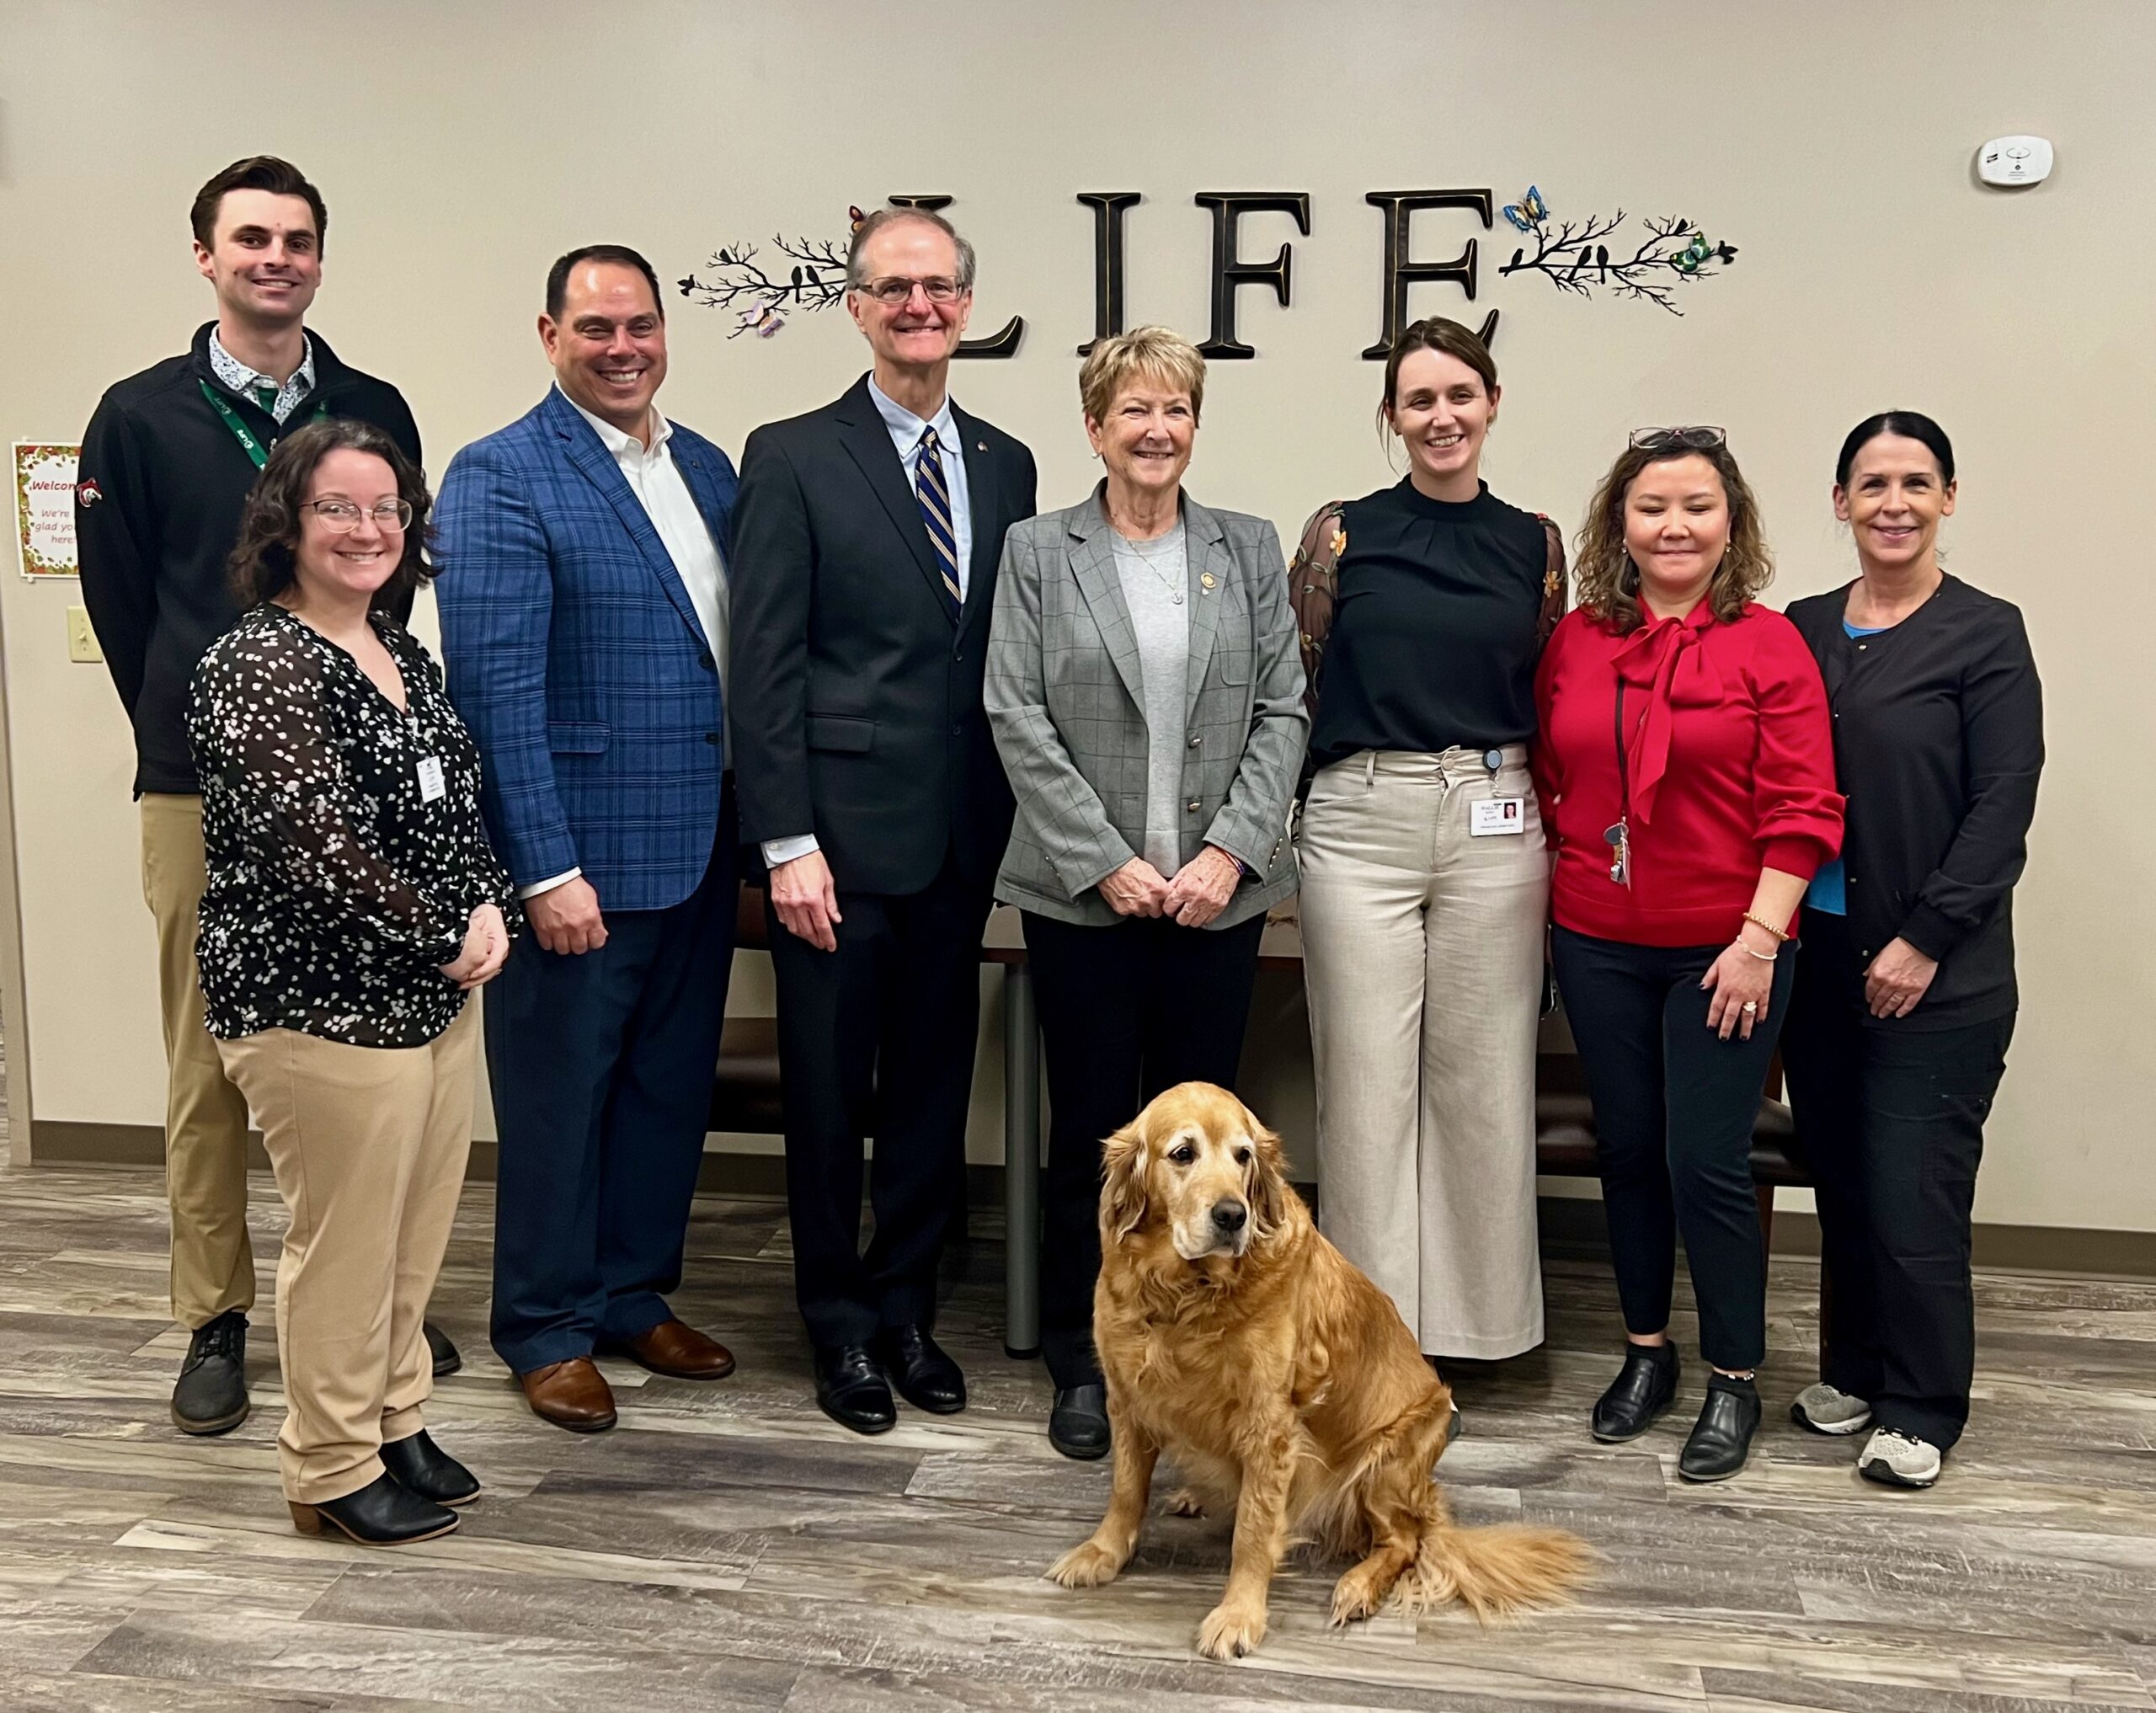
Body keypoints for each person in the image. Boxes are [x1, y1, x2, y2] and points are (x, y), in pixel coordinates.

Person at [75, 155, 459, 1440]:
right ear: (207, 257)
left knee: (373, 1051)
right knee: (211, 1064)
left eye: (297, 239)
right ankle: (215, 1314)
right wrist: (204, 728)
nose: (276, 258)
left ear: (319, 258)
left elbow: (389, 576)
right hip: (201, 788)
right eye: (251, 239)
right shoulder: (139, 416)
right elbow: (123, 604)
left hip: (361, 782)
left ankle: (367, 1302)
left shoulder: (371, 405)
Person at [730, 207, 1038, 1434]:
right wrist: (786, 843)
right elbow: (763, 665)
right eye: (894, 288)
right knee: (826, 1094)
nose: (920, 306)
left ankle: (907, 1308)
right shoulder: (793, 454)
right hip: (836, 848)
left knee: (928, 1087)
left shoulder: (1006, 462)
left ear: (966, 305)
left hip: (960, 838)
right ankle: (839, 1323)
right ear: (856, 307)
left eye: (940, 287)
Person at [434, 245, 742, 1433]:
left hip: (699, 841)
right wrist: (544, 868)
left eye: (641, 325)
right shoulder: (500, 474)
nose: (624, 348)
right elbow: (495, 695)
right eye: (597, 327)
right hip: (580, 861)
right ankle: (547, 1325)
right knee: (561, 1100)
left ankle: (629, 1293)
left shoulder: (705, 466)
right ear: (550, 335)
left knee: (665, 1090)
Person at [189, 419, 512, 1544]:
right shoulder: (257, 665)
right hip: (314, 1005)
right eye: (338, 507)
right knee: (345, 1244)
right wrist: (443, 931)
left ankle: (392, 1418)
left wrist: (488, 907)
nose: (369, 529)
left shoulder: (399, 651)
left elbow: (455, 801)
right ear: (286, 521)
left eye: (388, 508)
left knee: (412, 1234)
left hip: (428, 994)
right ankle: (328, 1464)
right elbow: (312, 846)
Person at [986, 327, 1306, 1459]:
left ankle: (1201, 1345)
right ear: (1095, 428)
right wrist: (1105, 859)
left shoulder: (1246, 547)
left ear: (1194, 426)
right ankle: (1091, 1360)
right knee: (1096, 1131)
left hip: (1215, 900)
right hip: (1085, 899)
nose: (1156, 430)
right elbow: (1014, 711)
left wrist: (1228, 853)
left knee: (1208, 1148)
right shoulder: (1038, 550)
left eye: (1175, 410)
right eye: (1134, 411)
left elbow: (1284, 709)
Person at [1533, 428, 1842, 1481]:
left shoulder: (1770, 645)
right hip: (1595, 942)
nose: (1674, 526)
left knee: (1703, 1162)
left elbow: (1804, 808)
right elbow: (1550, 777)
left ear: (1730, 523)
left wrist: (1758, 941)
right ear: (1619, 525)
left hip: (1728, 950)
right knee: (1626, 1150)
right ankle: (1646, 1352)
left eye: (1696, 507)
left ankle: (1733, 1377)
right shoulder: (1577, 641)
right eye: (1652, 506)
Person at [1289, 317, 1565, 1366]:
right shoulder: (1340, 533)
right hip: (1361, 818)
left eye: (1459, 395)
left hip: (1494, 818)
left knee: (1483, 1082)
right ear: (1392, 416)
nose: (1441, 416)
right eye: (1419, 400)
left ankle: (1477, 1330)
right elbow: (1299, 678)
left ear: (1491, 403)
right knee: (1364, 1086)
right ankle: (1368, 1339)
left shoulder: (1534, 543)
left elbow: (1547, 681)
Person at [1782, 413, 2042, 1490]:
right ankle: (1853, 1370)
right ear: (1840, 501)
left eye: (1916, 482)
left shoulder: (1985, 632)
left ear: (1947, 498)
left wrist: (1924, 939)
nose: (1894, 503)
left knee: (1913, 1190)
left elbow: (2001, 804)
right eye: (1873, 483)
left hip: (1938, 973)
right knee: (1844, 1181)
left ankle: (1921, 1405)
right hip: (1820, 961)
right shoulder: (1800, 626)